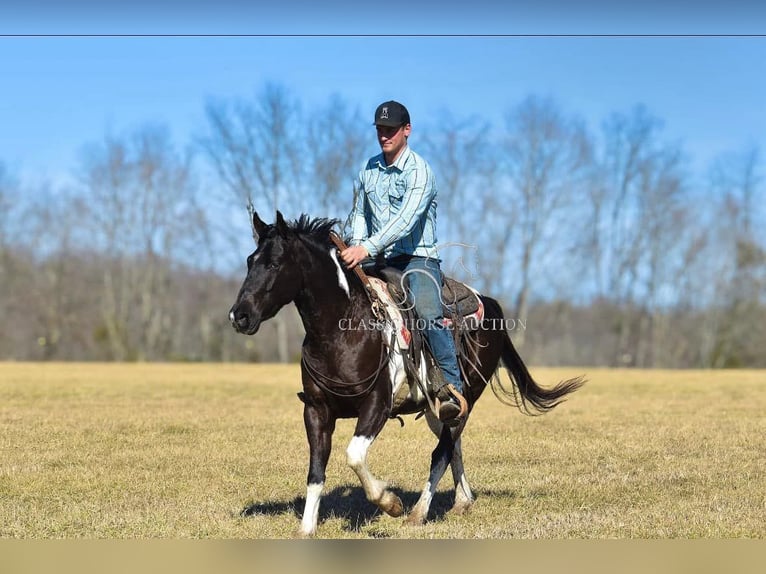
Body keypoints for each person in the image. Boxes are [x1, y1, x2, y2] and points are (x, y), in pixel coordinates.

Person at [340, 100, 465, 424]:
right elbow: (358, 213)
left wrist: (365, 248)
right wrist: (354, 243)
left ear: (406, 130)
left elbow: (405, 221)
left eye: (391, 130)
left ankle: (451, 386)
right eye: (380, 130)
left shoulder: (421, 172)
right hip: (375, 255)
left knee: (426, 312)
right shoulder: (368, 169)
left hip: (417, 258)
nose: (384, 136)